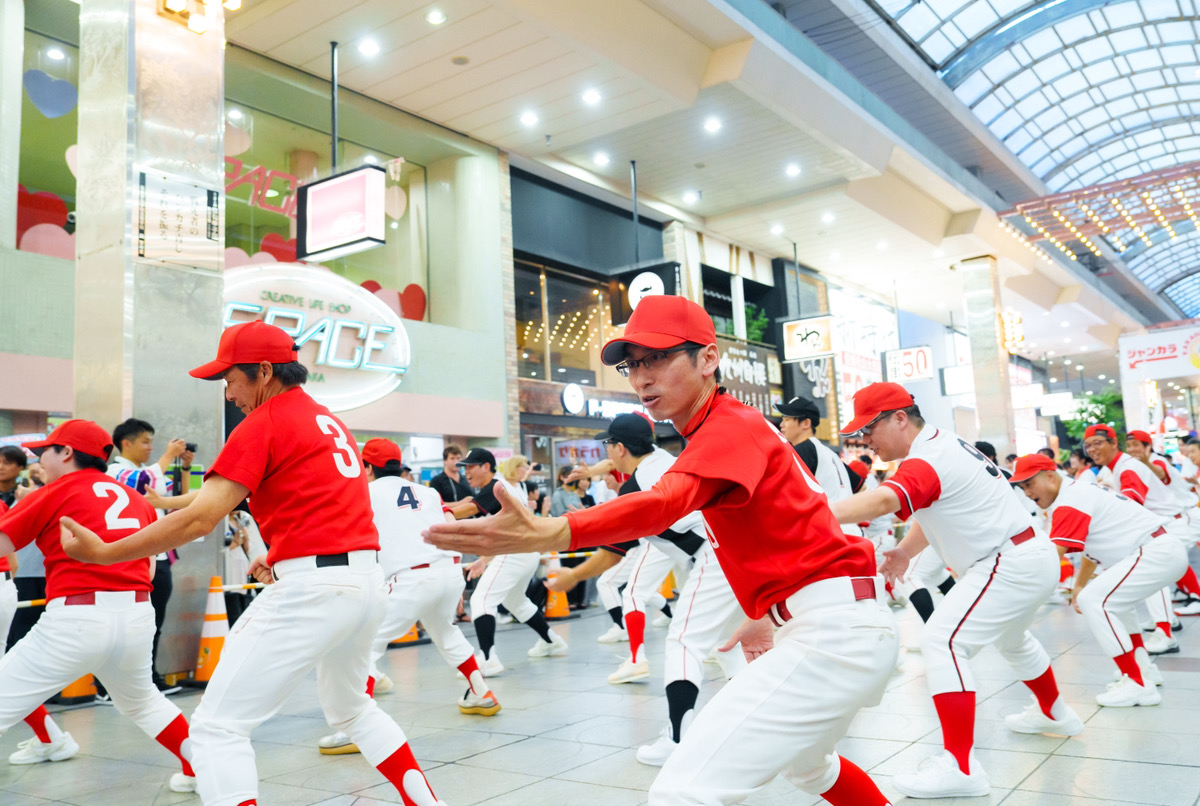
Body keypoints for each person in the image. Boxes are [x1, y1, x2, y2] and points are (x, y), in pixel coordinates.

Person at [427, 294, 898, 806]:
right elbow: (795, 526)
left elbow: (664, 502)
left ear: (708, 359)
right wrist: (769, 610)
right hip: (834, 619)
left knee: (681, 790)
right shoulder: (725, 428)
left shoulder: (727, 426)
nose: (640, 378)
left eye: (656, 358)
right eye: (633, 365)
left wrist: (553, 531)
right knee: (811, 770)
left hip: (834, 632)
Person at [59, 320, 445, 806]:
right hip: (363, 582)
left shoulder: (264, 422)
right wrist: (276, 556)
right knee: (353, 711)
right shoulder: (328, 420)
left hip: (314, 590)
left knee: (217, 727)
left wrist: (105, 553)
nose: (229, 392)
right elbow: (280, 500)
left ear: (263, 371)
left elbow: (202, 518)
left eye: (231, 379)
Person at [829, 382, 1081, 799]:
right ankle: (1056, 714)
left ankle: (961, 767)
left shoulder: (929, 457)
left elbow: (881, 503)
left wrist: (807, 514)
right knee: (1014, 641)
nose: (864, 439)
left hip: (1007, 560)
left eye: (869, 428)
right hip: (1026, 554)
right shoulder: (942, 446)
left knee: (943, 641)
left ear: (899, 418)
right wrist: (906, 553)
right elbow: (934, 511)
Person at [0, 420, 195, 789]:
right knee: (144, 704)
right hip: (136, 612)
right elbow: (151, 564)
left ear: (67, 453)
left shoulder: (57, 490)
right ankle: (204, 768)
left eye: (47, 452)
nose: (41, 461)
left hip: (75, 617)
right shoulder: (133, 497)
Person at [546, 412, 746, 766]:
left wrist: (573, 577)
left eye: (609, 445)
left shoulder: (635, 487)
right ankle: (753, 713)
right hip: (732, 548)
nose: (607, 453)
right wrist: (593, 474)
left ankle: (678, 739)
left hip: (710, 559)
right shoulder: (667, 460)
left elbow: (612, 551)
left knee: (683, 640)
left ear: (620, 448)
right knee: (725, 642)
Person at [318, 439, 499, 757]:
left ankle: (353, 728)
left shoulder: (366, 492)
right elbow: (451, 525)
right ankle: (481, 692)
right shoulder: (427, 491)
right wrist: (453, 580)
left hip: (411, 578)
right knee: (445, 631)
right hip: (447, 570)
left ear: (368, 466)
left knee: (367, 643)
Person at [1011, 453, 1186, 706]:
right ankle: (1143, 671)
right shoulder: (1074, 492)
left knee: (1096, 601)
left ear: (1050, 475)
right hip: (1155, 549)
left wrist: (1013, 587)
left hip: (1154, 551)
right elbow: (1089, 550)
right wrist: (1079, 583)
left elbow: (1049, 558)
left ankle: (1136, 683)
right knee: (1113, 604)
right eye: (1021, 487)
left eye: (1029, 484)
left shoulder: (1070, 500)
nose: (1026, 492)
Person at [450, 448, 567, 674]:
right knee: (516, 602)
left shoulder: (496, 486)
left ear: (486, 466)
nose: (466, 472)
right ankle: (553, 641)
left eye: (470, 466)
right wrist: (484, 560)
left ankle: (487, 658)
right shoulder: (504, 487)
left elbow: (469, 509)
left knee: (481, 600)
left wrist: (435, 512)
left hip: (515, 552)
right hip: (526, 552)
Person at [108, 417, 194, 696]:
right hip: (130, 558)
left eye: (152, 443)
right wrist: (168, 456)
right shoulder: (115, 472)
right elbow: (141, 484)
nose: (150, 448)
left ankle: (149, 678)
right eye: (145, 442)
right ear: (126, 443)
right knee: (125, 623)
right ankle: (109, 686)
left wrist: (185, 465)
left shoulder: (149, 470)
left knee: (153, 623)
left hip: (159, 556)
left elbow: (172, 499)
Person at [1084, 424, 1186, 654]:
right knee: (1150, 571)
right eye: (1088, 445)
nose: (1091, 449)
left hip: (1172, 521)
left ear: (1113, 443)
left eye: (1097, 443)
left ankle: (1165, 631)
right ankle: (1166, 624)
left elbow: (1131, 506)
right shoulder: (1115, 468)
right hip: (1162, 524)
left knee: (1153, 569)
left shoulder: (1127, 467)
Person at [775, 397, 861, 535]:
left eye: (786, 419)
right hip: (850, 532)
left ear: (805, 423)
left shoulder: (803, 450)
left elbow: (783, 493)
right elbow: (862, 487)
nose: (781, 425)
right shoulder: (830, 453)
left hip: (829, 534)